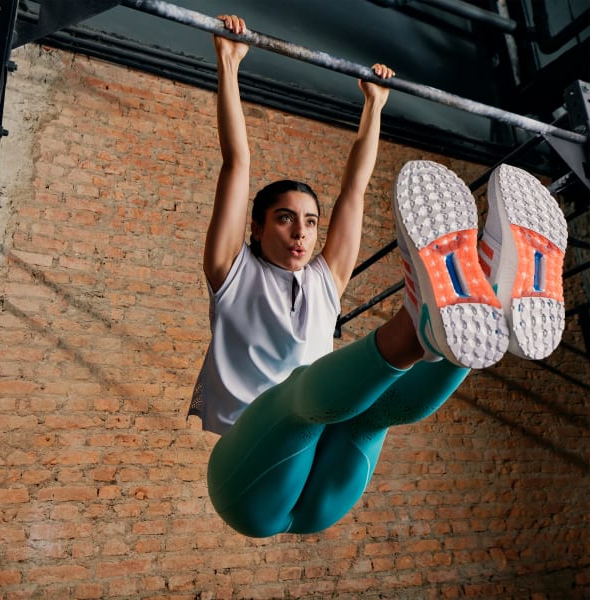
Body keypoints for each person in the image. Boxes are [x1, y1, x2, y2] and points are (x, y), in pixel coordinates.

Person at [188, 15, 568, 538]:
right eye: (284, 218)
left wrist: (374, 104)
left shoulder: (327, 278)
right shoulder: (230, 271)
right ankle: (425, 323)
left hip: (329, 485)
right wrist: (228, 64)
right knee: (299, 399)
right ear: (255, 227)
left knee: (371, 414)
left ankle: (491, 307)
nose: (302, 233)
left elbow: (354, 191)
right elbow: (237, 162)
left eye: (310, 222)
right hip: (249, 488)